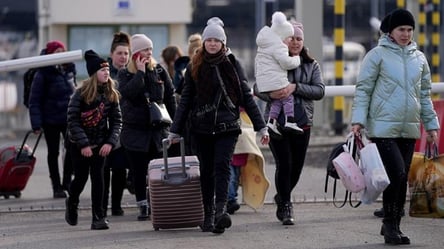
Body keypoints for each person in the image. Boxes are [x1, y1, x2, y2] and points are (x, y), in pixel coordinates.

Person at [167, 17, 269, 234]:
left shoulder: (232, 64)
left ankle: (221, 211)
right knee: (206, 171)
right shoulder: (195, 66)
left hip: (228, 126)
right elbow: (185, 100)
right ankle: (208, 215)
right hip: (201, 128)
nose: (212, 44)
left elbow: (246, 97)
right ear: (203, 42)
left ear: (223, 43)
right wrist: (175, 130)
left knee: (222, 166)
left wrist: (261, 126)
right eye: (209, 40)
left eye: (217, 40)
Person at [350, 8, 439, 245]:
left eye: (410, 29)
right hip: (382, 129)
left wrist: (431, 125)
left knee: (401, 178)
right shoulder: (376, 55)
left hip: (409, 128)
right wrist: (358, 120)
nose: (406, 34)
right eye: (401, 29)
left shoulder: (419, 58)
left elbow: (424, 95)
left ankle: (394, 226)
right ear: (390, 30)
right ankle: (389, 224)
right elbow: (364, 90)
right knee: (396, 175)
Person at [254, 20, 325, 226]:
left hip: (302, 122)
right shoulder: (271, 58)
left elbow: (319, 90)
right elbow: (257, 87)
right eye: (291, 38)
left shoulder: (311, 65)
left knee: (297, 167)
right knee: (284, 164)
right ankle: (285, 204)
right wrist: (272, 94)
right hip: (277, 122)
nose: (295, 42)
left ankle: (282, 195)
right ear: (283, 39)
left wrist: (296, 87)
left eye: (299, 38)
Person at [117, 34, 176, 221]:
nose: (149, 53)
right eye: (145, 50)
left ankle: (155, 204)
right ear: (136, 53)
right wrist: (141, 73)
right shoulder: (124, 73)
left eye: (150, 49)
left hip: (157, 130)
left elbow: (169, 97)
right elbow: (127, 94)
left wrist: (175, 125)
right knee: (138, 171)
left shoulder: (159, 70)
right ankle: (142, 205)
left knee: (157, 170)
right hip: (134, 131)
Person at [65, 49, 122, 230]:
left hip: (100, 143)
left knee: (99, 179)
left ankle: (98, 217)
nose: (107, 72)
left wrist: (109, 142)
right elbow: (72, 121)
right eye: (102, 70)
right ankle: (71, 203)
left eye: (107, 69)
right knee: (80, 179)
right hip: (79, 145)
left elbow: (117, 121)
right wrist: (83, 144)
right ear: (93, 73)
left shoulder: (111, 94)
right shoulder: (80, 94)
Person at [28, 40, 76, 198]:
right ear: (49, 55)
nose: (61, 55)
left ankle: (67, 182)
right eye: (57, 52)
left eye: (63, 51)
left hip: (68, 118)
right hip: (50, 120)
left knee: (71, 149)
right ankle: (56, 186)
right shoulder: (42, 74)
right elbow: (34, 100)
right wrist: (36, 123)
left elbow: (74, 93)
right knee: (53, 152)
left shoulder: (69, 69)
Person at [255, 11, 303, 136]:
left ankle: (271, 121)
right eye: (289, 38)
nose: (291, 42)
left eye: (297, 39)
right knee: (287, 97)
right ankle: (290, 120)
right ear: (282, 36)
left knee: (277, 101)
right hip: (275, 81)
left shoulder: (264, 44)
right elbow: (286, 63)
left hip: (263, 82)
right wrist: (297, 59)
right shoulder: (279, 46)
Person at [102, 31, 131, 217]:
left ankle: (116, 205)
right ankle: (102, 205)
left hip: (124, 127)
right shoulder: (104, 73)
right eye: (120, 53)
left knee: (120, 169)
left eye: (126, 53)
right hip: (104, 127)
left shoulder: (131, 73)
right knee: (104, 169)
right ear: (112, 54)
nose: (123, 57)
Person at [226, 108, 268, 215]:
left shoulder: (245, 113)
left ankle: (231, 198)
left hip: (241, 149)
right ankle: (230, 199)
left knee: (235, 176)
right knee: (231, 175)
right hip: (235, 147)